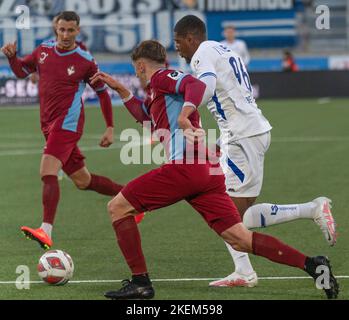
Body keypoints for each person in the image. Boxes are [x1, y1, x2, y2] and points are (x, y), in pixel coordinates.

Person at [90, 40, 338, 300]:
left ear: (141, 66)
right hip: (206, 173)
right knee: (240, 238)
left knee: (117, 207)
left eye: (135, 71)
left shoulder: (163, 77)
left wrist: (185, 115)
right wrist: (120, 89)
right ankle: (313, 264)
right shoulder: (156, 92)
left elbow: (194, 85)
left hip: (186, 167)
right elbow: (144, 116)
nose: (136, 77)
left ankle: (140, 283)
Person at [173, 15, 337, 287]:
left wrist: (187, 111)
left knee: (224, 214)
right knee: (237, 216)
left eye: (178, 42)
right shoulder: (223, 49)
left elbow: (208, 85)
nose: (177, 47)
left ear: (191, 38)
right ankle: (310, 210)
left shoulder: (201, 54)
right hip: (250, 132)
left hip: (241, 137)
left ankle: (246, 271)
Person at [0, 11, 125, 250]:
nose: (66, 34)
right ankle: (131, 198)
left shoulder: (85, 60)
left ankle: (45, 231)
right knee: (83, 180)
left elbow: (102, 93)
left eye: (70, 30)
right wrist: (12, 57)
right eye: (62, 30)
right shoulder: (43, 51)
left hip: (67, 124)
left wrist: (110, 127)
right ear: (55, 29)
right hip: (47, 125)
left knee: (48, 171)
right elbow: (21, 72)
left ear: (78, 31)